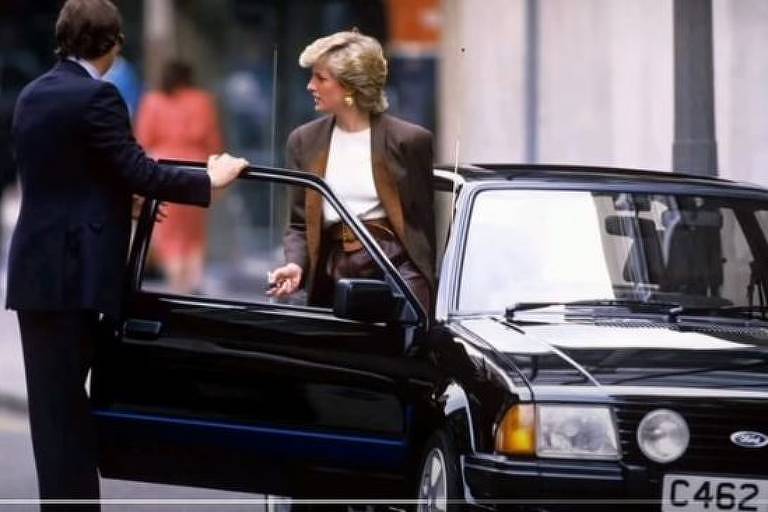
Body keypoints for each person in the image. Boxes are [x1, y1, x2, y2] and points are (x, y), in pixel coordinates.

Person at [5, 0, 248, 509]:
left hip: (36, 274)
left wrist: (123, 202)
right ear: (113, 43)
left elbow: (66, 176)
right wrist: (210, 179)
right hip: (78, 277)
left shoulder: (34, 93)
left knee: (55, 415)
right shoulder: (99, 97)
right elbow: (142, 171)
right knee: (73, 415)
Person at [268, 30, 435, 314]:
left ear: (349, 88)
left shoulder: (409, 141)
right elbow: (298, 224)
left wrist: (421, 294)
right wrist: (295, 264)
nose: (310, 86)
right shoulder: (303, 141)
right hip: (333, 275)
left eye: (321, 78)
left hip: (393, 275)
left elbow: (421, 229)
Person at [135, 60, 224, 294]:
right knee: (195, 234)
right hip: (197, 168)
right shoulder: (203, 101)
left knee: (169, 235)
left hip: (164, 170)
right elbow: (213, 141)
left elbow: (143, 140)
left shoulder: (153, 101)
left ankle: (177, 288)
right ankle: (193, 283)